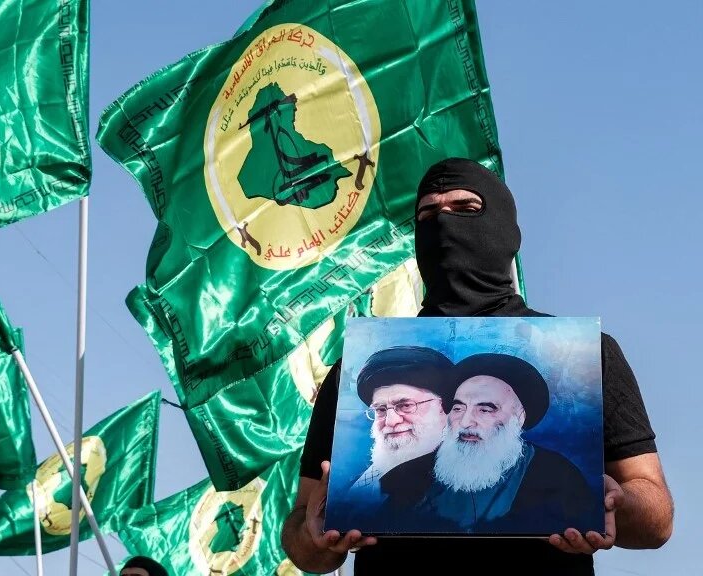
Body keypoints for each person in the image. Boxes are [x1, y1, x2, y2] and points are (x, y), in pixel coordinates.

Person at [281, 158, 674, 575]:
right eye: (428, 214)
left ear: (505, 229)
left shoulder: (588, 355)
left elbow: (658, 518)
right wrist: (312, 532)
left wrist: (619, 504)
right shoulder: (353, 375)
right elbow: (304, 541)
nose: (445, 225)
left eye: (466, 209)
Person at [381, 353, 595, 534]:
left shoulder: (559, 477)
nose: (465, 422)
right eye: (458, 408)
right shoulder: (402, 479)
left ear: (518, 418)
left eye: (485, 409)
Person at [344, 346, 452, 502]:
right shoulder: (355, 486)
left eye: (405, 406)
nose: (391, 421)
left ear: (444, 408)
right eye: (381, 409)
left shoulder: (465, 484)